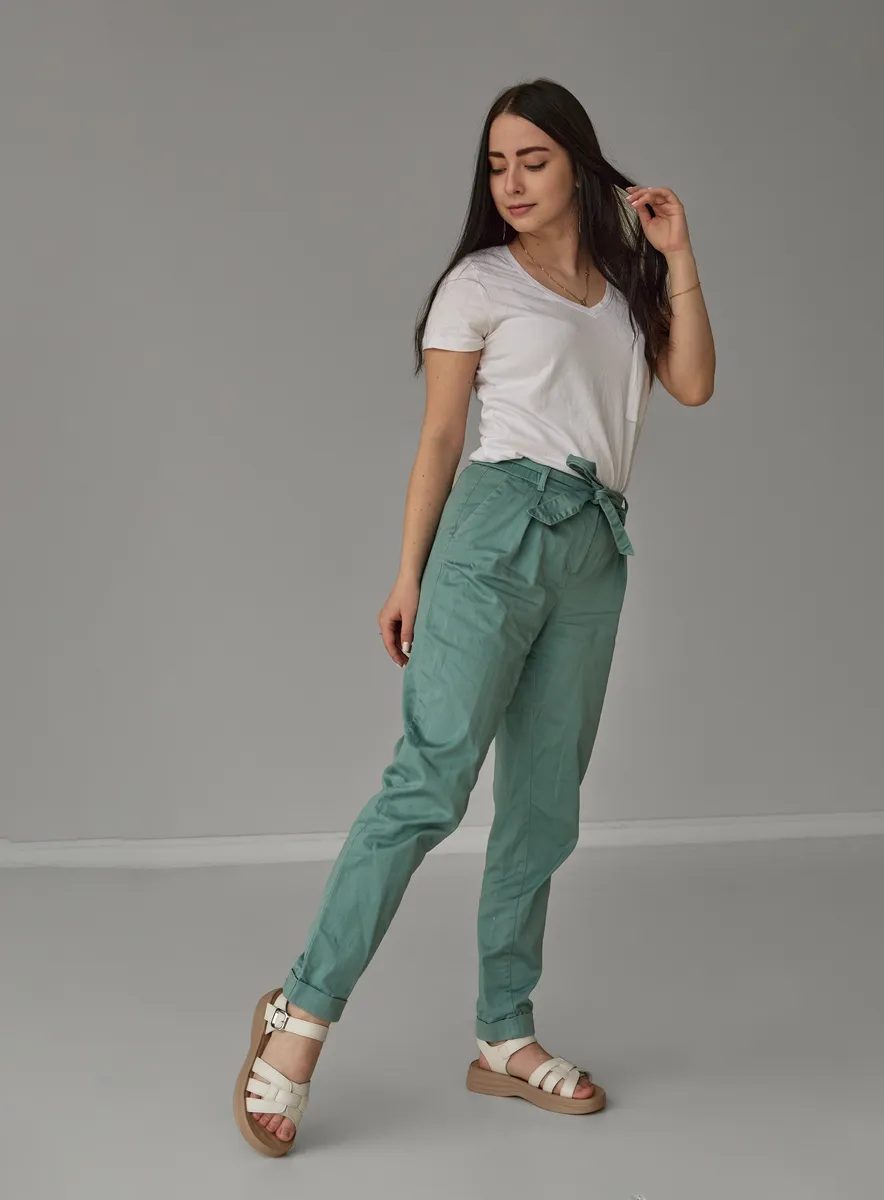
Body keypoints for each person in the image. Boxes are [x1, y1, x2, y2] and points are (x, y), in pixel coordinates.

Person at [233, 76, 714, 1157]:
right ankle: (301, 1013)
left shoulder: (626, 288)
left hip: (595, 550)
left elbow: (691, 383)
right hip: (493, 536)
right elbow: (443, 439)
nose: (512, 183)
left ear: (580, 164)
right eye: (497, 165)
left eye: (533, 160)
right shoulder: (478, 284)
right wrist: (409, 574)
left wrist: (678, 256)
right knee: (429, 785)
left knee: (544, 806)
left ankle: (504, 1034)